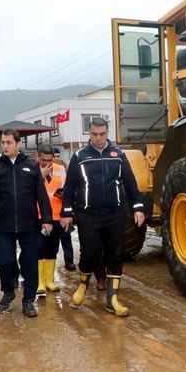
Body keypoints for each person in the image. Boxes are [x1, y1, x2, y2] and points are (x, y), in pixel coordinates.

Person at [60, 118, 145, 317]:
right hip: (88, 215)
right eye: (94, 134)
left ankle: (112, 299)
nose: (98, 139)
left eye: (102, 134)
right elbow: (70, 187)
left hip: (114, 214)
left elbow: (130, 183)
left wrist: (138, 207)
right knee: (90, 253)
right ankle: (83, 284)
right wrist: (66, 213)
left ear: (108, 133)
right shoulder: (79, 156)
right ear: (89, 134)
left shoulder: (118, 155)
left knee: (115, 255)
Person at [0, 129, 53, 317]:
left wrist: (47, 219)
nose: (5, 146)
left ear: (18, 143)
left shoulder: (32, 166)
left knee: (30, 261)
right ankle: (8, 292)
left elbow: (41, 194)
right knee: (5, 261)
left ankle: (29, 300)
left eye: (8, 142)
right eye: (3, 142)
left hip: (29, 224)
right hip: (4, 224)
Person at [35, 144, 65, 297]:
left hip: (56, 216)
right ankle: (40, 282)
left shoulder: (60, 169)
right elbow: (26, 190)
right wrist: (40, 174)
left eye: (49, 160)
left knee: (52, 248)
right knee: (39, 249)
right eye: (43, 160)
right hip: (39, 217)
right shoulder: (32, 170)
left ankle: (49, 281)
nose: (46, 163)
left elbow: (66, 188)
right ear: (37, 156)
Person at [54, 147, 76, 271]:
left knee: (66, 238)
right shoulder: (46, 171)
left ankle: (69, 261)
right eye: (54, 156)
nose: (57, 158)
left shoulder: (65, 169)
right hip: (52, 213)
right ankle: (52, 262)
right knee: (53, 242)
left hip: (64, 211)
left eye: (58, 156)